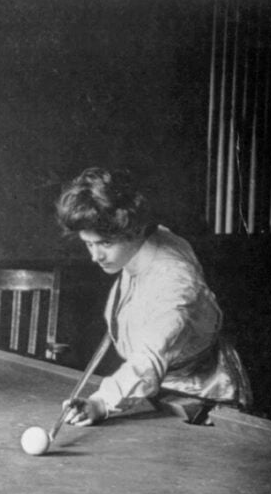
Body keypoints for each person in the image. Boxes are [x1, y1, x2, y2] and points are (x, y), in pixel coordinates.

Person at [55, 167, 249, 427]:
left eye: (104, 244)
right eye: (89, 243)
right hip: (160, 395)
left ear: (133, 230)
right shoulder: (146, 239)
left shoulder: (174, 282)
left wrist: (101, 402)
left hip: (204, 405)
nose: (95, 256)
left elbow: (149, 357)